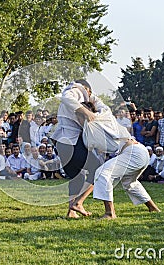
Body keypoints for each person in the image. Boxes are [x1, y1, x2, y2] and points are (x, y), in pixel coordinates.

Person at [51, 80, 108, 218]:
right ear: (86, 88)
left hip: (63, 143)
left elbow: (102, 106)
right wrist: (87, 113)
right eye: (90, 92)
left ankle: (71, 211)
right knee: (98, 170)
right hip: (71, 142)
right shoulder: (76, 89)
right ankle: (78, 202)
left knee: (77, 176)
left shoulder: (85, 96)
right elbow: (66, 97)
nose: (90, 96)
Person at [93, 137, 160, 219]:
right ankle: (153, 208)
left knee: (102, 173)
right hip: (139, 151)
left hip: (133, 152)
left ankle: (110, 213)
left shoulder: (105, 125)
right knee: (130, 183)